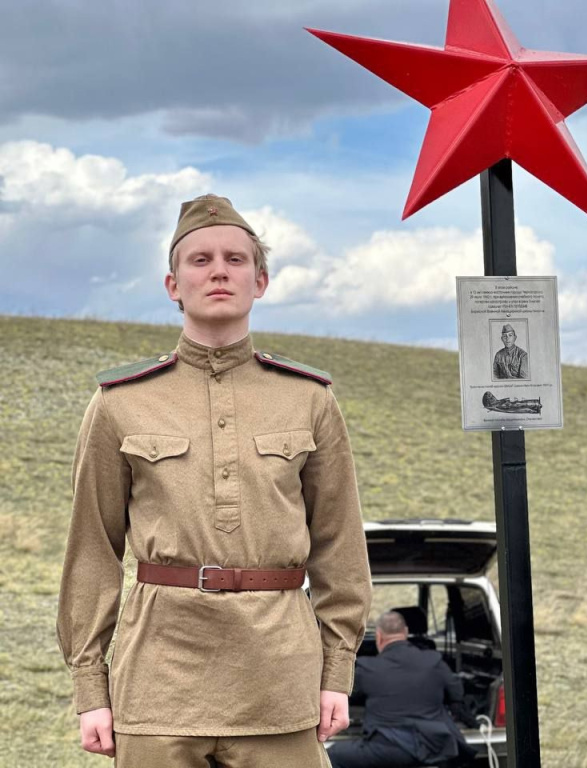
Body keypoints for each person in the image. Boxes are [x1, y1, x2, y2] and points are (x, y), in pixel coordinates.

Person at [57, 194, 372, 767]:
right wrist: (90, 688)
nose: (219, 271)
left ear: (261, 280)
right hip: (158, 680)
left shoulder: (309, 399)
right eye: (200, 260)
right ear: (172, 285)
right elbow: (92, 551)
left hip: (280, 680)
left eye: (235, 259)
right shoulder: (120, 403)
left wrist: (336, 673)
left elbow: (340, 546)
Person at [328, 612, 476, 768]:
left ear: (379, 636)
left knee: (330, 756)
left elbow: (343, 695)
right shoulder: (434, 660)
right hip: (436, 747)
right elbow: (456, 694)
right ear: (405, 632)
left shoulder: (367, 668)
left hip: (388, 749)